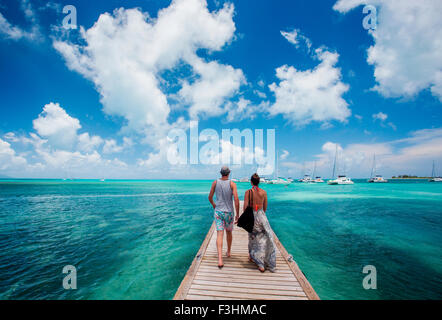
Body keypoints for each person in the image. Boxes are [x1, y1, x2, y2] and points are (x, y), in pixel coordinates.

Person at [244, 173, 276, 272]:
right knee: (262, 239)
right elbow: (265, 207)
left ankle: (254, 259)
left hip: (252, 217)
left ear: (251, 182)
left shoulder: (248, 192)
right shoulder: (264, 192)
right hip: (261, 216)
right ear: (259, 182)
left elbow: (245, 207)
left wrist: (245, 218)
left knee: (252, 237)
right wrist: (260, 215)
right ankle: (261, 262)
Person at [208, 166, 240, 268]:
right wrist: (237, 215)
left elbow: (210, 197)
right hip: (229, 213)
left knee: (219, 235)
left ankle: (220, 260)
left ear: (220, 173)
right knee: (229, 232)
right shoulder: (232, 184)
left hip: (219, 212)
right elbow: (236, 199)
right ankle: (229, 252)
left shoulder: (215, 182)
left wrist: (214, 204)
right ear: (229, 173)